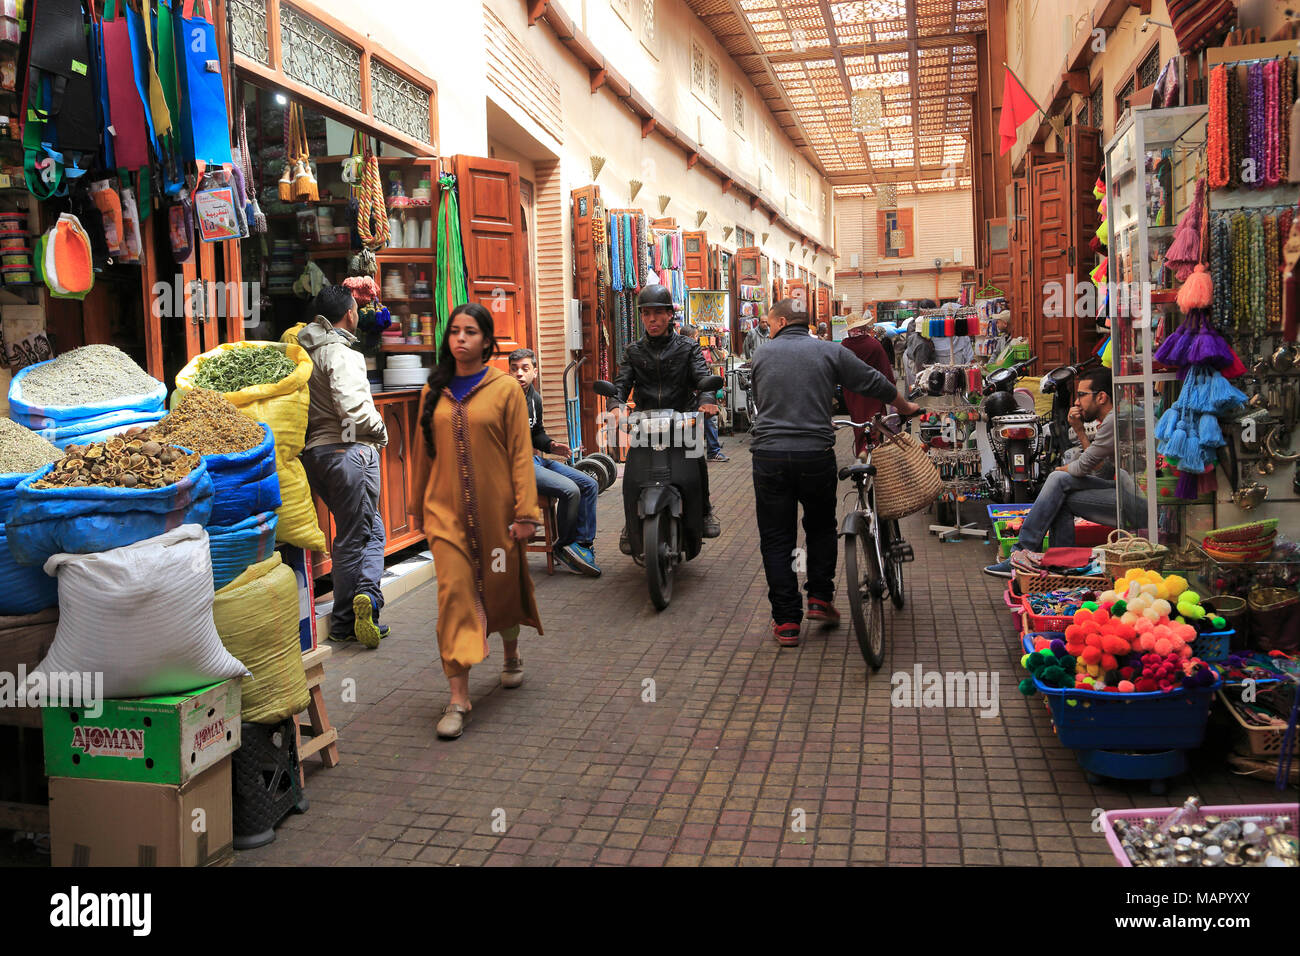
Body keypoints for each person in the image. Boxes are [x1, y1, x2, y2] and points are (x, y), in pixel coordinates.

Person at [751, 298, 920, 646]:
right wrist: (904, 406)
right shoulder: (829, 351)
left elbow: (761, 399)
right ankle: (820, 599)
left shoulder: (762, 356)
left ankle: (785, 623)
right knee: (820, 528)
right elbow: (874, 382)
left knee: (776, 538)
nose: (768, 329)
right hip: (814, 454)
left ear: (781, 322)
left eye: (769, 323)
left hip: (768, 457)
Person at [414, 303, 543, 739]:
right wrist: (419, 513)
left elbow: (521, 455)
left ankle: (510, 652)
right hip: (444, 515)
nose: (460, 339)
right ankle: (458, 696)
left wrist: (526, 513)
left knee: (501, 583)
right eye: (454, 332)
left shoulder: (505, 388)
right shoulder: (433, 390)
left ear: (487, 341)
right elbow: (422, 457)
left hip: (497, 511)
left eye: (470, 332)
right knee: (453, 595)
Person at [299, 285, 389, 648]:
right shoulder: (341, 353)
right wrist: (380, 430)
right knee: (360, 536)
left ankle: (361, 600)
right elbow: (352, 410)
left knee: (364, 531)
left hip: (317, 455)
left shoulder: (305, 351)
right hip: (349, 451)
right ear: (350, 313)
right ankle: (347, 618)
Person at [983, 367, 1130, 578]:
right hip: (1117, 487)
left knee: (1058, 480)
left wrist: (1060, 469)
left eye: (1081, 395)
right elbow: (1101, 470)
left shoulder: (1113, 421)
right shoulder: (1111, 420)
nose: (1076, 402)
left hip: (1129, 497)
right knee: (1059, 495)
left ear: (1101, 397)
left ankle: (1022, 553)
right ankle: (1062, 564)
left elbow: (1084, 466)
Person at [615, 284, 721, 551]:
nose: (652, 319)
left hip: (683, 421)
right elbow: (620, 385)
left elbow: (702, 378)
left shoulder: (688, 347)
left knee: (697, 463)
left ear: (669, 315)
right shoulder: (633, 351)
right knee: (632, 476)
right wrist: (615, 404)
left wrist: (707, 401)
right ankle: (630, 523)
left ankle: (705, 509)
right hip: (646, 425)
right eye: (646, 313)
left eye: (658, 313)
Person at [508, 348, 601, 577]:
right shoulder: (501, 399)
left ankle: (583, 546)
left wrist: (551, 445)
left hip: (536, 460)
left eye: (524, 368)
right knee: (570, 491)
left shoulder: (534, 398)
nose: (519, 374)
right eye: (514, 369)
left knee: (589, 485)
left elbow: (537, 433)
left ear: (535, 372)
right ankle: (563, 547)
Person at [840, 311, 896, 456]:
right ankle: (876, 456)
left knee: (858, 424)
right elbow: (885, 369)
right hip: (874, 391)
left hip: (852, 393)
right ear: (863, 327)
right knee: (876, 424)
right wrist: (892, 392)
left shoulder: (843, 346)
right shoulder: (874, 344)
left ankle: (861, 451)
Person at [678, 324, 728, 462]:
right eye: (695, 337)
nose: (697, 339)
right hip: (690, 397)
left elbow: (702, 377)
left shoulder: (693, 353)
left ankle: (711, 451)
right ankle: (712, 451)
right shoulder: (683, 354)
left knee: (706, 420)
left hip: (697, 395)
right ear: (689, 337)